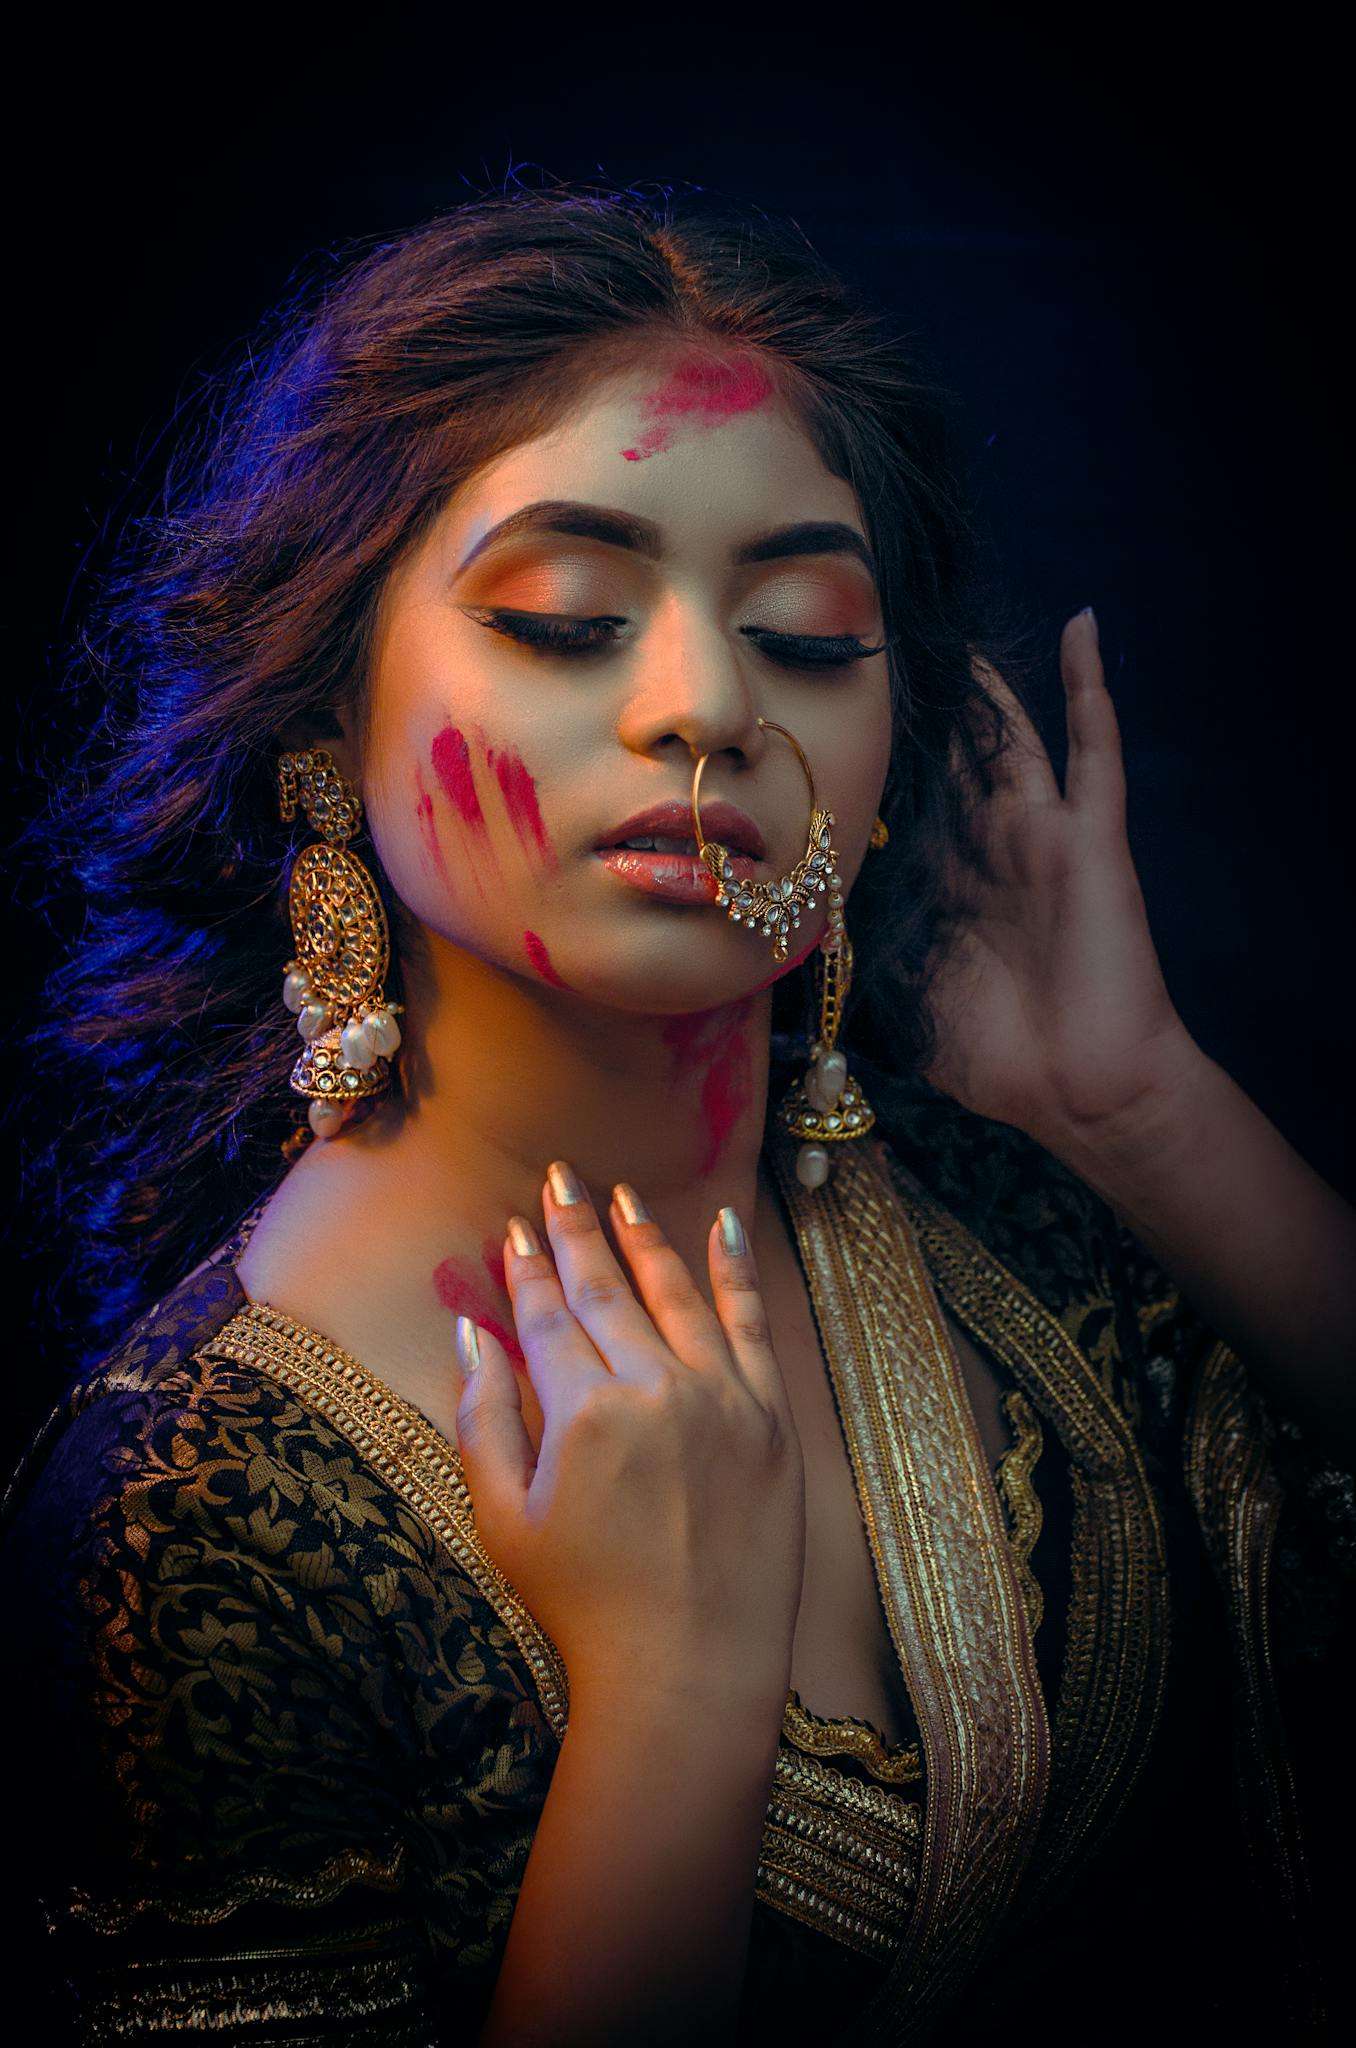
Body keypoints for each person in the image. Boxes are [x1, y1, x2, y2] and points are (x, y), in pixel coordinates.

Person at [4, 184, 1352, 2047]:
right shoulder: (191, 1515)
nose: (706, 701)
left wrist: (1142, 1113)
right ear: (329, 707)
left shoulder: (1022, 1235)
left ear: (885, 776)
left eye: (806, 636)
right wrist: (671, 1690)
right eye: (566, 616)